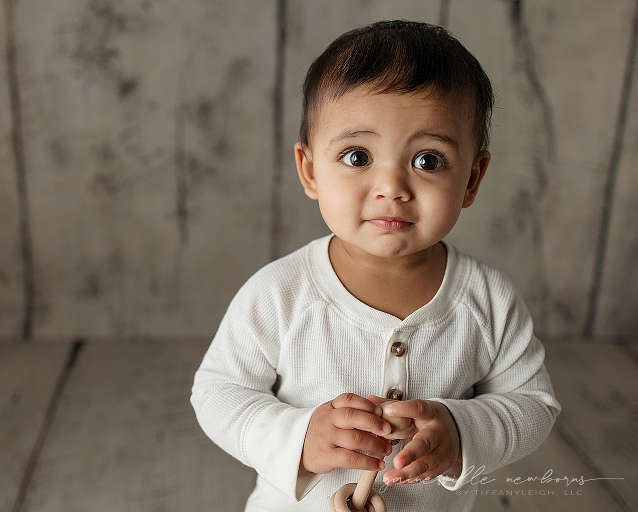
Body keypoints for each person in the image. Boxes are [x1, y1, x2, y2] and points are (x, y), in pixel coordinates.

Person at [191, 20, 560, 512]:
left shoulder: (488, 300)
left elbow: (532, 406)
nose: (392, 186)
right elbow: (218, 394)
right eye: (357, 155)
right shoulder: (279, 294)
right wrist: (301, 438)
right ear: (310, 170)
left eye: (428, 160)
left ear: (471, 179)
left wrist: (460, 432)